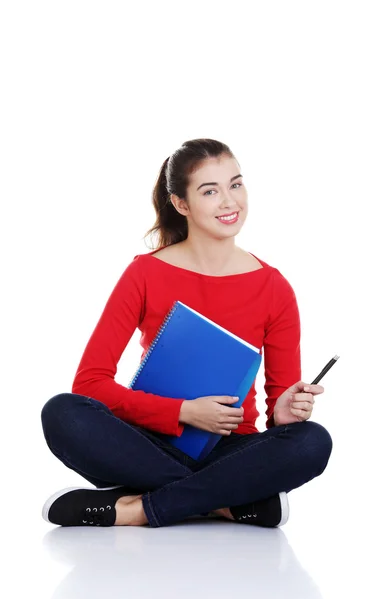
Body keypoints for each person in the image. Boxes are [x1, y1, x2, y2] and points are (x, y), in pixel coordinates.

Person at [41, 138, 332, 529]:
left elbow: (279, 418)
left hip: (231, 450)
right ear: (181, 204)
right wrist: (183, 412)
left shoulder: (274, 287)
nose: (229, 202)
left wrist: (283, 414)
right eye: (210, 191)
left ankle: (139, 509)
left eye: (236, 184)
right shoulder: (144, 273)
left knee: (313, 441)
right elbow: (90, 383)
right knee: (62, 413)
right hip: (146, 443)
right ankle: (225, 503)